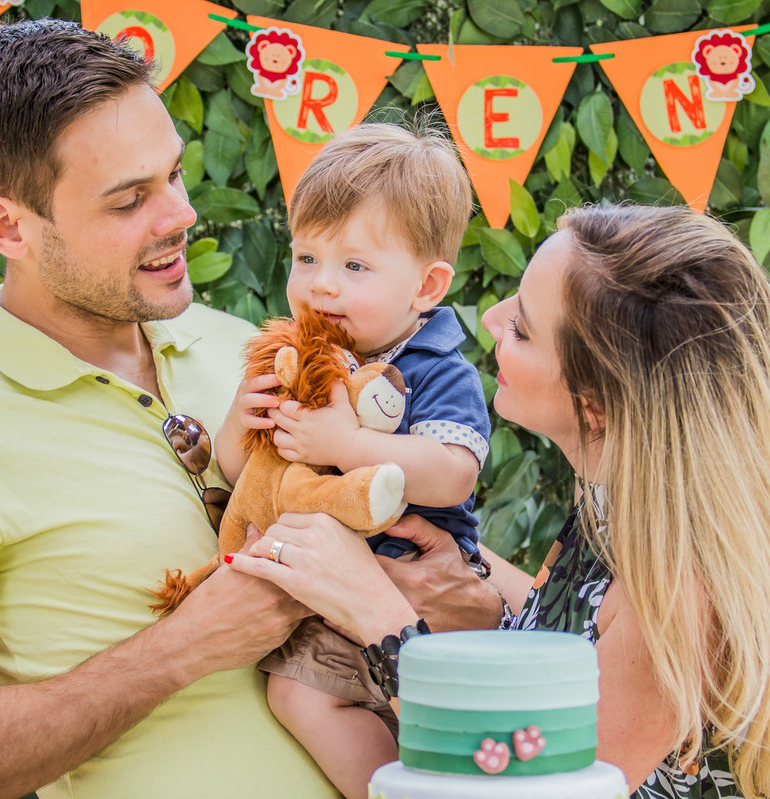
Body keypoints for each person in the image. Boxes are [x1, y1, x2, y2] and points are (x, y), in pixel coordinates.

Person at [0, 19, 357, 798]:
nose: (179, 214)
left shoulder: (240, 344)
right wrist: (183, 647)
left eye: (174, 175)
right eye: (129, 200)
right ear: (7, 226)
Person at [229, 203, 770, 799]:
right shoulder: (623, 501)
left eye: (522, 328)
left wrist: (377, 613)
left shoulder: (685, 590)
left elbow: (530, 786)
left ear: (595, 405)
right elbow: (583, 641)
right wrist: (464, 573)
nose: (491, 320)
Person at [213, 123, 490, 799]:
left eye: (355, 267)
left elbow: (453, 470)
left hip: (411, 589)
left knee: (302, 695)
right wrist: (240, 423)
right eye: (307, 258)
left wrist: (346, 446)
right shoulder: (301, 355)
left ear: (426, 286)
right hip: (330, 590)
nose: (321, 286)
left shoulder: (436, 366)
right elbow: (245, 475)